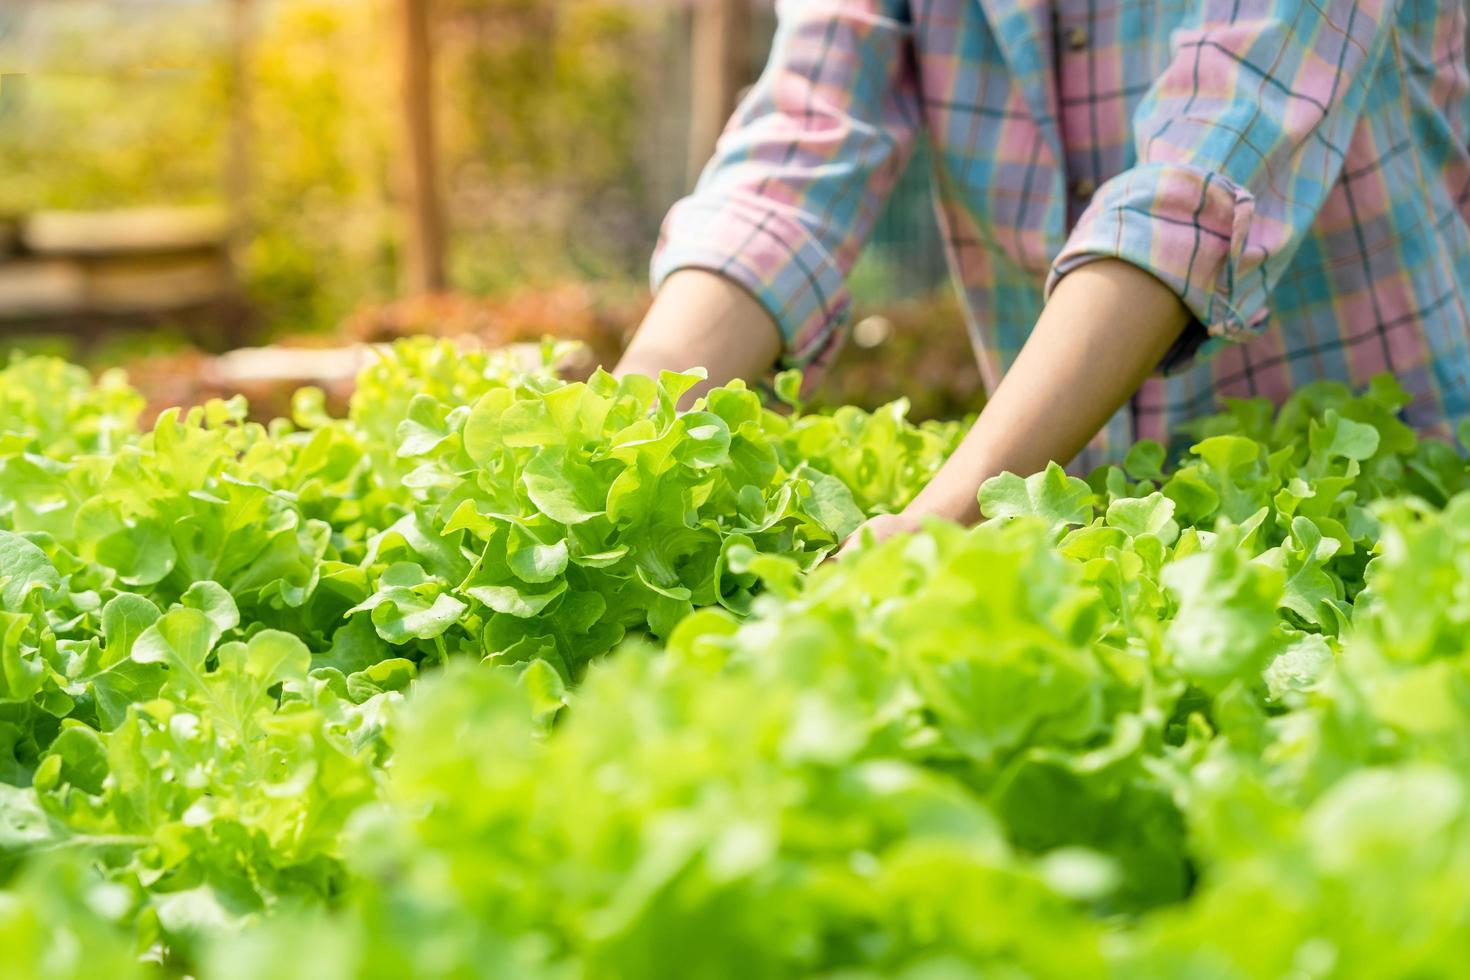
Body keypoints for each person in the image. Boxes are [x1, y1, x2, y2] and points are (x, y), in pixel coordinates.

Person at [613, 0, 1470, 548]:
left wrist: (937, 526)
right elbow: (798, 152)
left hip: (1389, 516)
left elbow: (1199, 181)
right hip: (1071, 516)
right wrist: (616, 446)